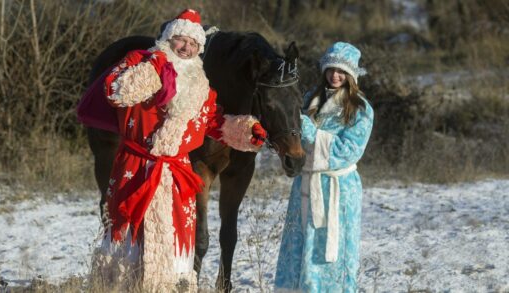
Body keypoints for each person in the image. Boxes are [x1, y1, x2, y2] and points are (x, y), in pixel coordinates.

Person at [89, 9, 267, 292]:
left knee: (175, 245)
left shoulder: (200, 84)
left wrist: (245, 130)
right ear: (168, 39)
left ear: (199, 49)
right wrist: (155, 69)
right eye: (180, 40)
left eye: (193, 44)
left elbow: (212, 120)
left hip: (175, 175)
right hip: (136, 168)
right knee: (130, 241)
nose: (186, 48)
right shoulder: (140, 61)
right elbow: (114, 90)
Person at [274, 42, 374, 292]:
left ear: (351, 74)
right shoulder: (309, 99)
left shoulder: (360, 108)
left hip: (337, 189)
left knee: (330, 251)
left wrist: (312, 133)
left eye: (340, 71)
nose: (335, 75)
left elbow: (348, 151)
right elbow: (293, 137)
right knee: (299, 245)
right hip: (305, 184)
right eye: (330, 69)